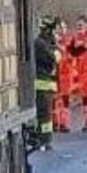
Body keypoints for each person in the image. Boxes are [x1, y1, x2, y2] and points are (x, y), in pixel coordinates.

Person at [33, 16, 59, 150]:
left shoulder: (42, 43)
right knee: (45, 115)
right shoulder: (41, 44)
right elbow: (54, 59)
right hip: (42, 84)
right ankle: (44, 140)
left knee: (46, 115)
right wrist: (55, 47)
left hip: (46, 84)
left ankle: (45, 140)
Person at [53, 21, 77, 133]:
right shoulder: (52, 42)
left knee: (65, 99)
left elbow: (73, 57)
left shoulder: (70, 41)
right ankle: (55, 122)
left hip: (66, 74)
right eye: (59, 27)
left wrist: (64, 51)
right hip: (54, 75)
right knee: (55, 100)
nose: (62, 30)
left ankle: (64, 123)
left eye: (64, 27)